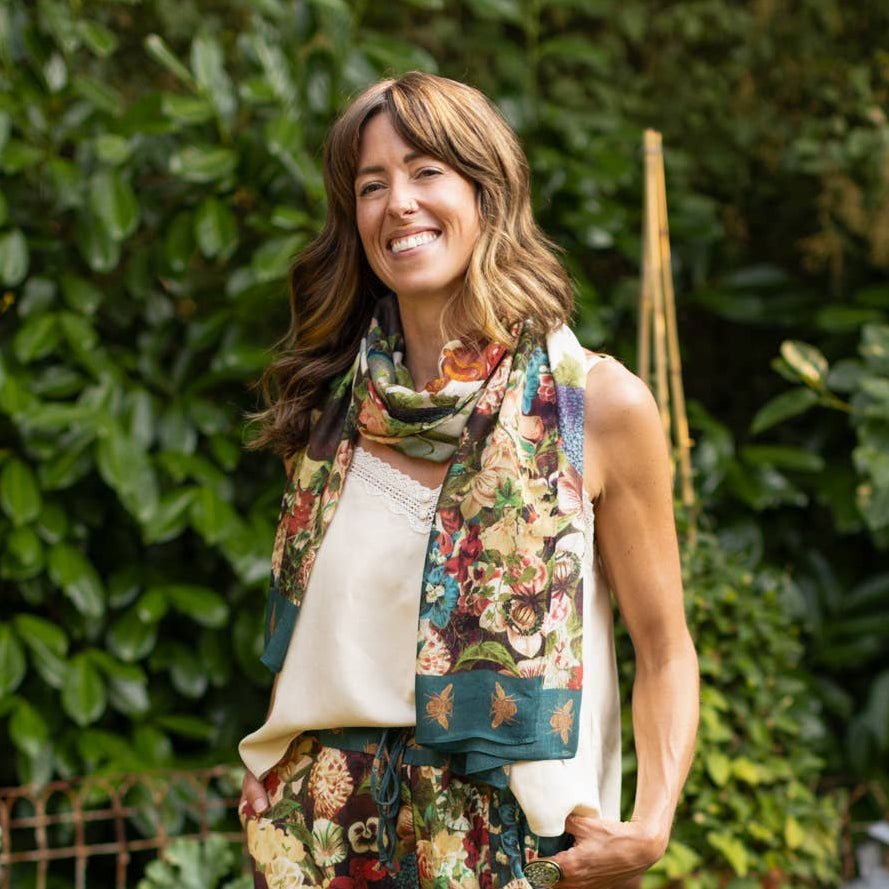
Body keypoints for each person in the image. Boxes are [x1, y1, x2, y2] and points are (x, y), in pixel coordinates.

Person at [238, 71, 699, 889]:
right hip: (325, 841)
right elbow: (316, 640)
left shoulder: (591, 406)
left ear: (486, 191)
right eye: (371, 185)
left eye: (424, 172)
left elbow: (663, 648)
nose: (398, 203)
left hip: (516, 847)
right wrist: (271, 762)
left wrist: (651, 823)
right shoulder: (327, 416)